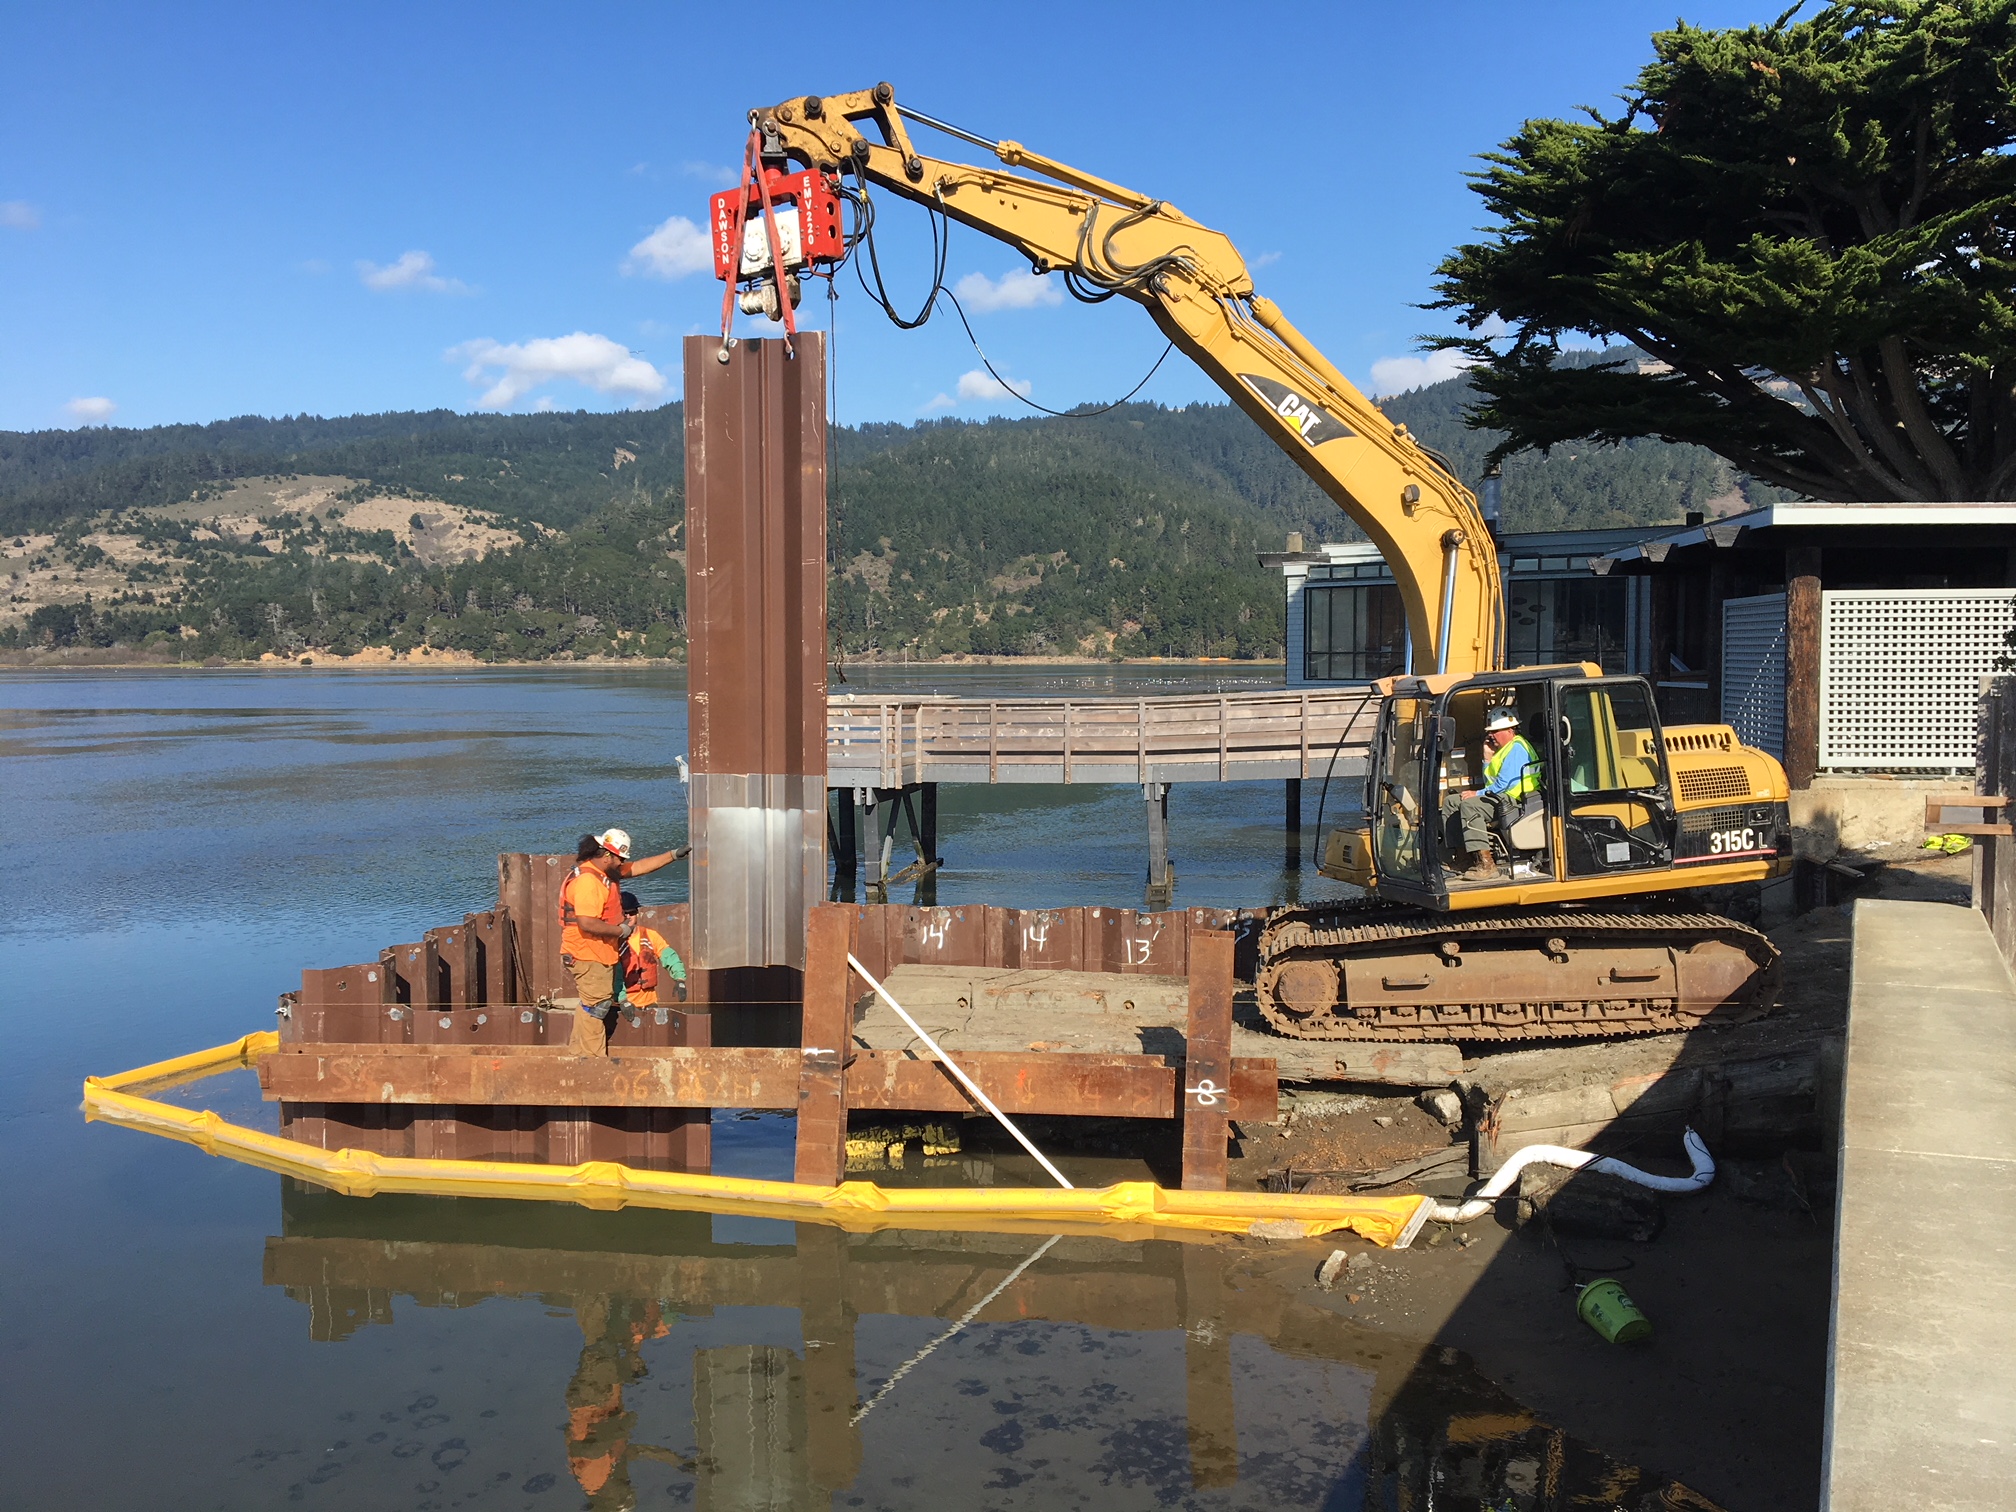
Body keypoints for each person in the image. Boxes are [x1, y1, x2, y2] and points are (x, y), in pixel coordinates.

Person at [1440, 707, 1543, 881]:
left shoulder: (1517, 748)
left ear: (1510, 730)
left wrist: (1476, 793)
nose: (1492, 735)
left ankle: (1487, 864)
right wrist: (1487, 759)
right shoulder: (1504, 750)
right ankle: (1463, 858)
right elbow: (1492, 784)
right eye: (1490, 732)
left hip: (1514, 800)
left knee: (1470, 805)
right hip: (1501, 797)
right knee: (1451, 801)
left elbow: (1503, 785)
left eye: (1495, 731)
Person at [559, 834, 629, 1053]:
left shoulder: (600, 874)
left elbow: (640, 868)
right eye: (620, 858)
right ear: (607, 855)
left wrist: (673, 855)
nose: (622, 864)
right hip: (587, 953)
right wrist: (621, 930)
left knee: (590, 1004)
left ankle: (577, 1055)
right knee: (596, 1007)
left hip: (593, 952)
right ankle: (592, 1062)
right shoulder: (589, 882)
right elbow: (587, 922)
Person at [618, 891, 687, 1010]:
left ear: (637, 913)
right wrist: (622, 1000)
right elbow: (611, 975)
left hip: (650, 1004)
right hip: (622, 1006)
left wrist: (680, 979)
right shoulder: (611, 941)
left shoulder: (650, 935)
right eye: (624, 913)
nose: (628, 916)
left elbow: (670, 957)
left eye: (632, 912)